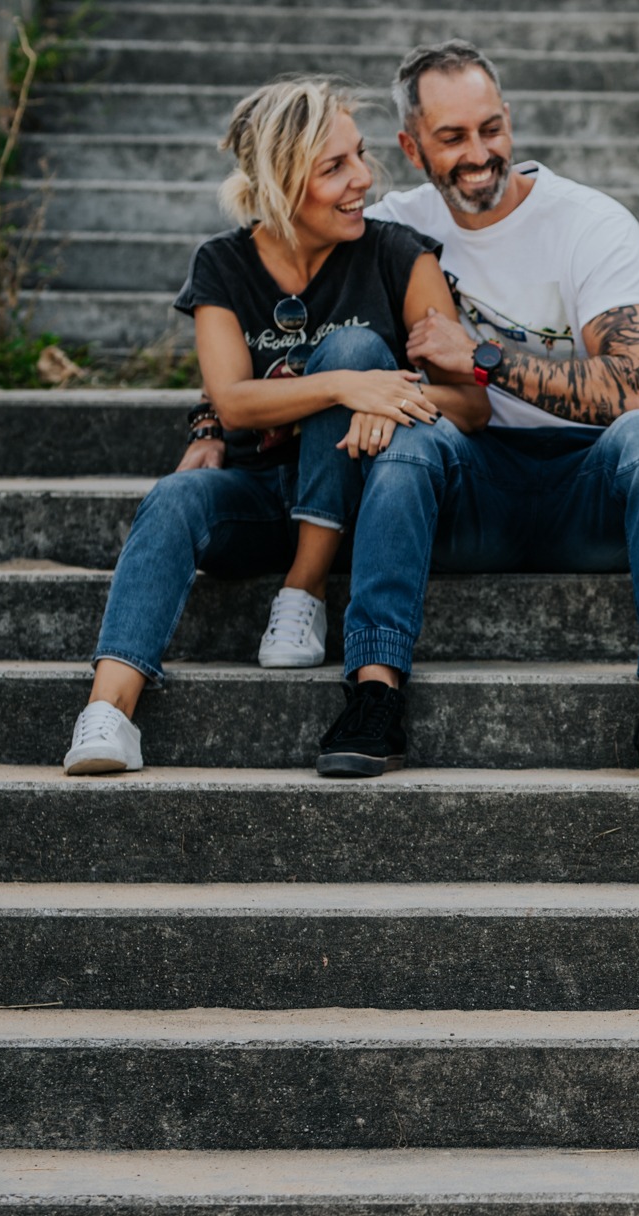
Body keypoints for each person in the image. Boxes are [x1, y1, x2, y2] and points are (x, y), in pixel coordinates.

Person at [312, 38, 639, 780]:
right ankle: (374, 695)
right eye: (453, 137)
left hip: (589, 489)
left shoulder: (591, 223)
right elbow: (268, 298)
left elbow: (636, 388)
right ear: (409, 147)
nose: (480, 154)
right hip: (470, 491)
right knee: (410, 439)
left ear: (509, 120)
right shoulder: (390, 231)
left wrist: (484, 358)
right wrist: (213, 422)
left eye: (491, 128)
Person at [62, 76, 487, 775]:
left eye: (360, 155)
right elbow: (231, 404)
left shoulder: (397, 255)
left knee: (354, 346)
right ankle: (108, 712)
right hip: (262, 495)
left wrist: (391, 397)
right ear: (281, 182)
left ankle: (305, 588)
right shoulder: (223, 265)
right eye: (334, 167)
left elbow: (472, 404)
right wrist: (347, 386)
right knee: (174, 498)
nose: (362, 179)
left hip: (368, 504)